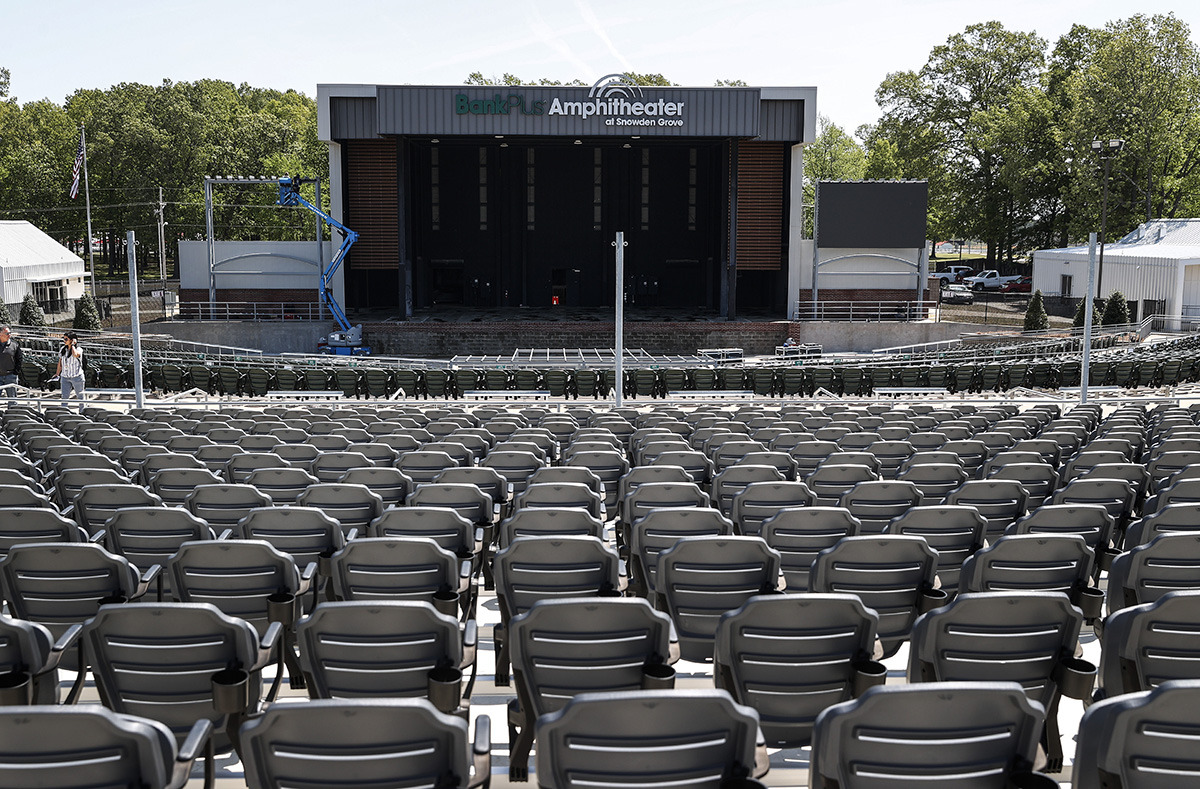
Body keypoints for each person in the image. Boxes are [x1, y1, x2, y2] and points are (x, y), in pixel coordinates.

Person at [56, 330, 85, 409]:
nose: (64, 341)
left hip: (77, 376)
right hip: (65, 376)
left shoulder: (79, 349)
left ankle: (82, 412)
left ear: (72, 340)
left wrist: (72, 345)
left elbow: (75, 355)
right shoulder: (62, 349)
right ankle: (64, 411)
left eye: (66, 339)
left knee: (80, 397)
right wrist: (57, 374)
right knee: (64, 397)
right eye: (64, 339)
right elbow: (60, 362)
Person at [0, 325, 21, 402]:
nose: (9, 335)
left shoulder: (15, 345)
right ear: (0, 334)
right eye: (7, 333)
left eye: (10, 333)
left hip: (10, 376)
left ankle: (13, 413)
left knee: (12, 400)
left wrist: (16, 372)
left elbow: (19, 359)